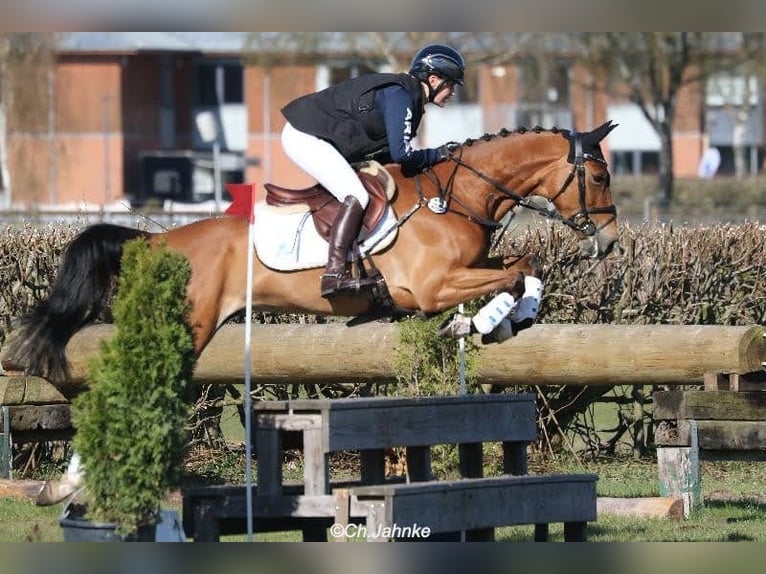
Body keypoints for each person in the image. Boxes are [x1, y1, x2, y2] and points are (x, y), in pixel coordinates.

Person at [280, 43, 466, 298]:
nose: (452, 92)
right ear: (433, 80)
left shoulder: (409, 97)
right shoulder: (401, 96)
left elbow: (392, 156)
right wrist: (440, 154)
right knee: (357, 194)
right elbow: (403, 155)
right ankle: (333, 274)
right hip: (304, 135)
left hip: (319, 137)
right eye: (451, 85)